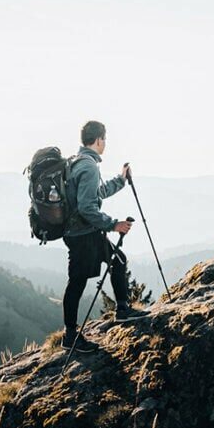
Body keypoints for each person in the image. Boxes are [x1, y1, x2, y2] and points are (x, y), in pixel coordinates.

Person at [60, 120, 148, 353]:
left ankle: (122, 309)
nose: (105, 144)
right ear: (98, 139)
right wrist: (113, 224)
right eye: (105, 139)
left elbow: (95, 194)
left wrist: (120, 180)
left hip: (80, 232)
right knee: (77, 282)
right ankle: (70, 335)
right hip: (83, 234)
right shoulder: (89, 166)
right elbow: (87, 207)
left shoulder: (77, 162)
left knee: (117, 260)